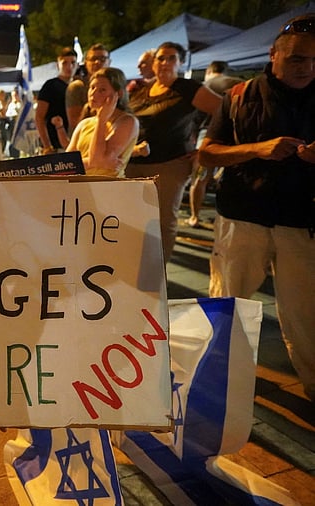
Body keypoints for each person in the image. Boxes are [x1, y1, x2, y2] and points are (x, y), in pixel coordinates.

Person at [199, 13, 315, 400]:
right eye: (298, 58)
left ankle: (312, 386)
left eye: (314, 60)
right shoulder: (239, 95)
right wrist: (258, 150)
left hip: (302, 221)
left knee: (305, 316)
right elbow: (207, 153)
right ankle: (223, 381)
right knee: (230, 302)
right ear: (274, 55)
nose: (307, 68)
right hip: (243, 215)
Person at [126, 41, 222, 263]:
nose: (165, 63)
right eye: (161, 57)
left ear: (180, 62)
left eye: (172, 58)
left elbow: (224, 111)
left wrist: (204, 147)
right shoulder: (142, 90)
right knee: (135, 222)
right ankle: (134, 271)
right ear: (154, 61)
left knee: (162, 223)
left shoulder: (188, 88)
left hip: (169, 166)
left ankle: (156, 278)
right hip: (134, 165)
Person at [187, 61, 244, 228]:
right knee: (229, 176)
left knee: (199, 177)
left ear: (209, 70)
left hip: (207, 135)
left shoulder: (204, 85)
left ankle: (194, 216)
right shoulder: (238, 83)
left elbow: (194, 117)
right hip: (233, 137)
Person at [66, 67, 139, 178]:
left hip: (108, 188)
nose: (93, 93)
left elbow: (97, 158)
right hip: (81, 187)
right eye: (92, 87)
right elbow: (64, 164)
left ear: (118, 94)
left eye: (102, 90)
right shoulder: (84, 124)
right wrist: (92, 162)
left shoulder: (128, 121)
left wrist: (102, 120)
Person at [36, 47, 78, 154]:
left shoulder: (79, 86)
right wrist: (47, 146)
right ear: (57, 65)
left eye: (73, 62)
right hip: (56, 146)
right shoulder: (50, 86)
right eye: (64, 63)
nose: (69, 66)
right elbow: (39, 117)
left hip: (75, 143)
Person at [65, 43, 110, 129]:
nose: (97, 62)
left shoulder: (115, 86)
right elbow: (75, 123)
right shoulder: (77, 87)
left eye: (102, 59)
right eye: (93, 59)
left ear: (109, 61)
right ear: (86, 63)